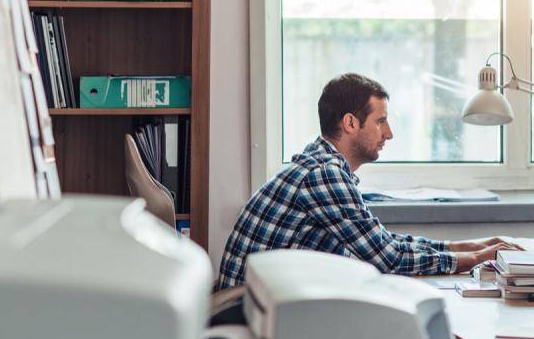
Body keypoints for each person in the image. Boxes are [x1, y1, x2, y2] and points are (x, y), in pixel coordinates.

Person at [216, 73, 518, 290]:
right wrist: (474, 258)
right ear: (350, 123)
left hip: (260, 308)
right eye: (380, 121)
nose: (389, 133)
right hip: (249, 316)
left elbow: (382, 243)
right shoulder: (324, 175)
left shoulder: (321, 165)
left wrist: (465, 246)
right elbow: (388, 258)